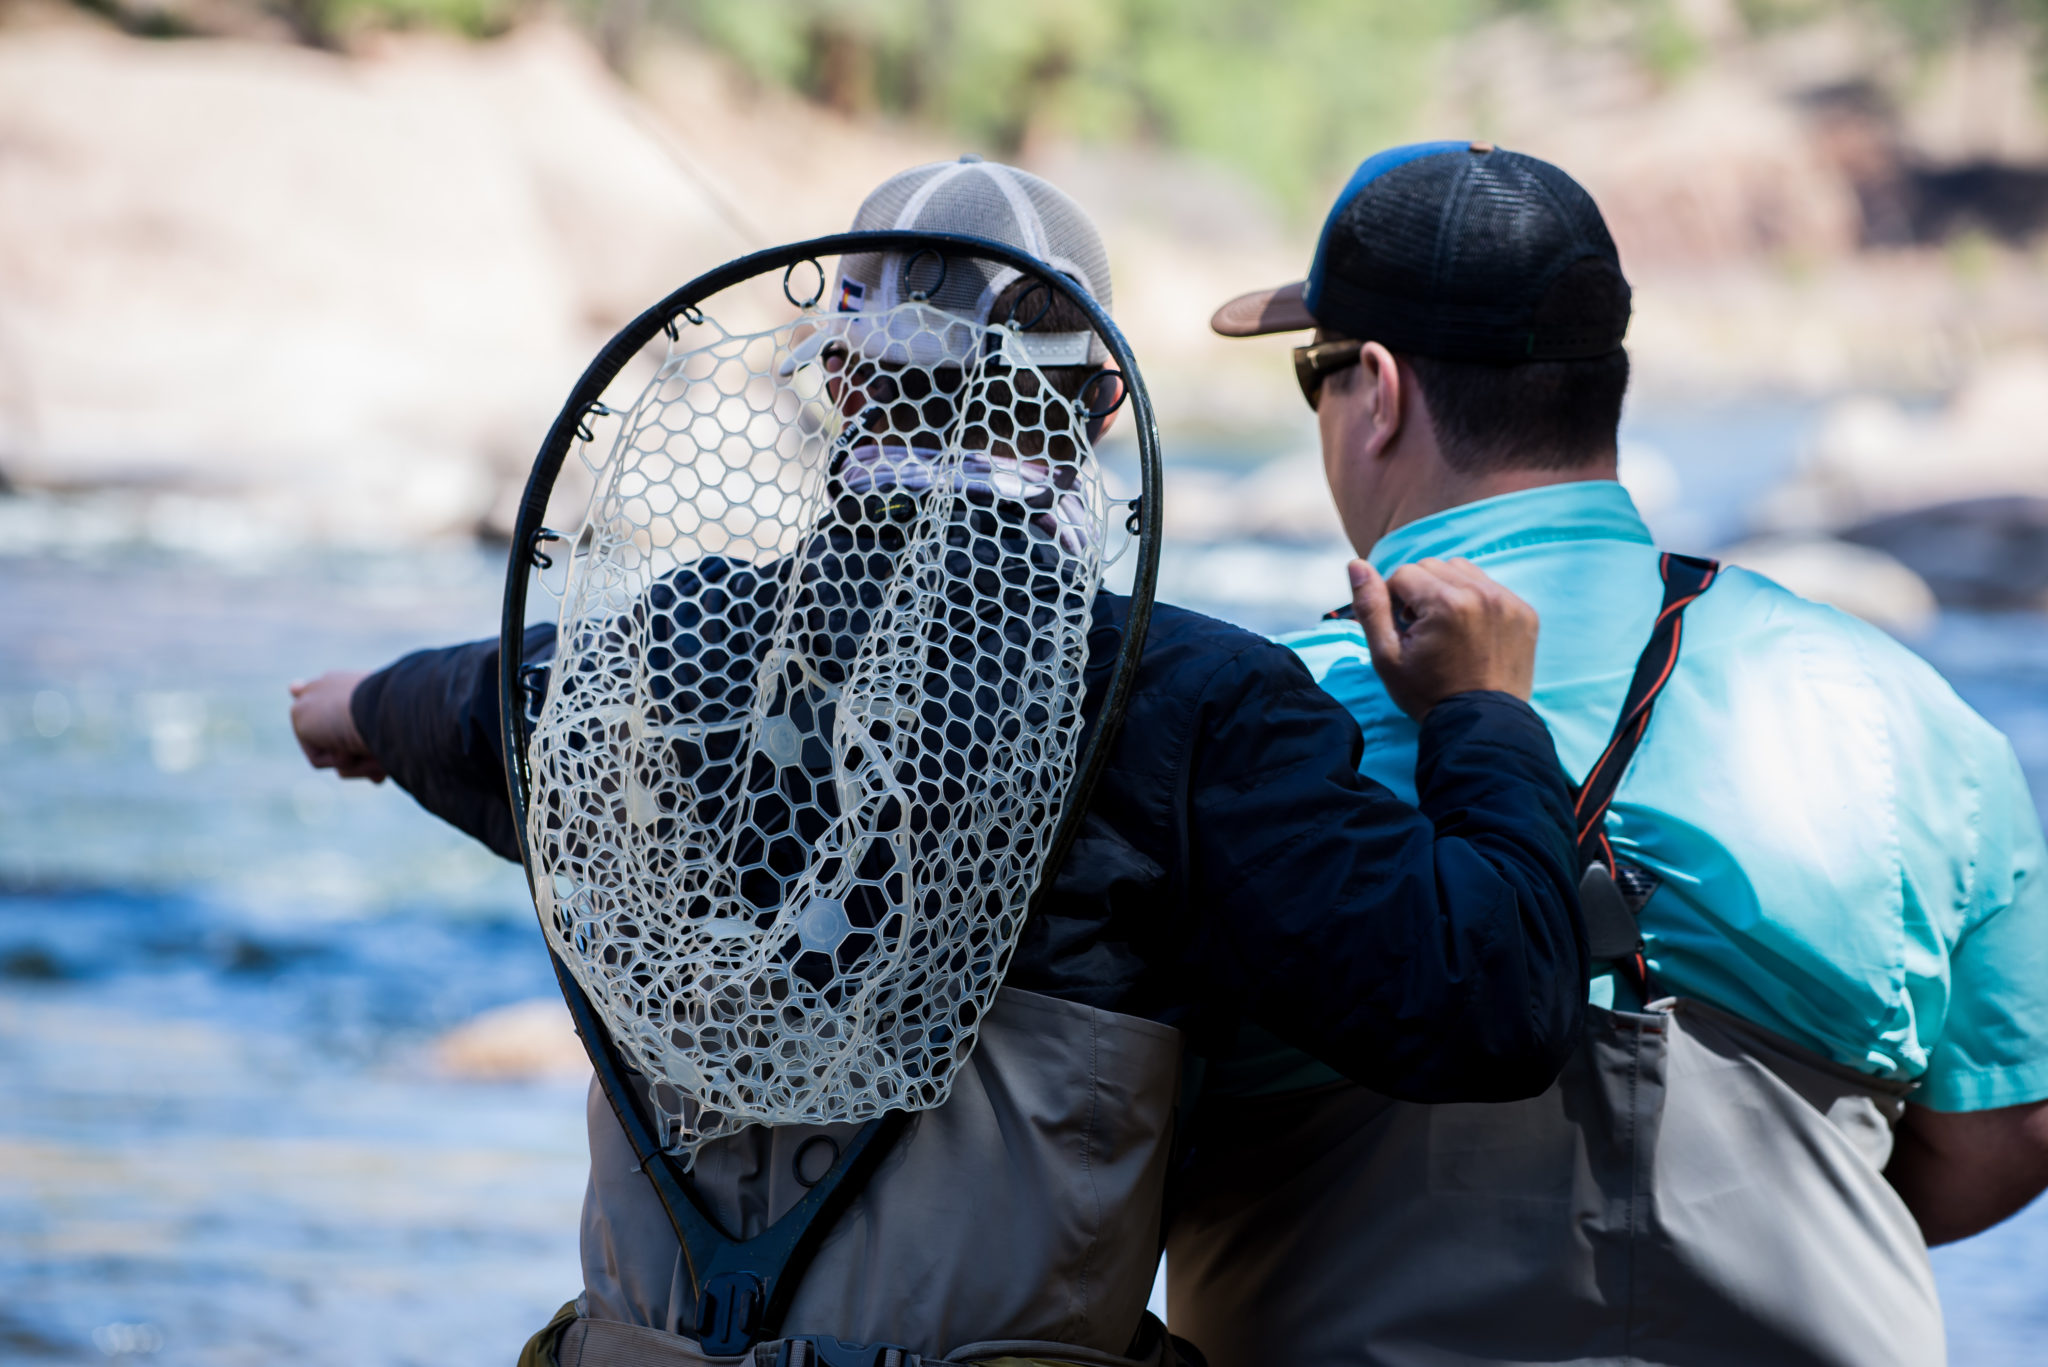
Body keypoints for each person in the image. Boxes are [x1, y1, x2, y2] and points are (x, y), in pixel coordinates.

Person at [290, 157, 1589, 1367]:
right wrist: (1484, 712)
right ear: (1106, 401)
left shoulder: (649, 658)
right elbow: (1491, 1000)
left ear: (841, 377)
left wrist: (354, 706)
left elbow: (472, 704)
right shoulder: (1197, 707)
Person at [1169, 139, 2048, 1367]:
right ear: (1601, 385)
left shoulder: (1238, 723)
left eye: (1309, 375)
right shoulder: (1911, 710)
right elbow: (2008, 1132)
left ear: (1375, 391)